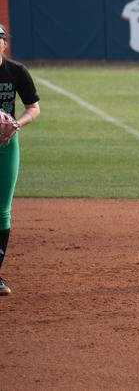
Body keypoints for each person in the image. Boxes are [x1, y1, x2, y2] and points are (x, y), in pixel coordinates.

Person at [0, 24, 41, 296]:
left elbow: (34, 108)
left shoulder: (16, 72)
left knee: (2, 209)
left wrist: (17, 123)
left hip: (6, 145)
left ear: (3, 43)